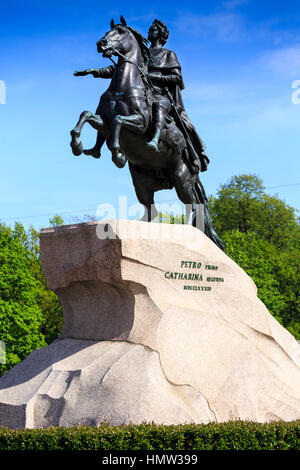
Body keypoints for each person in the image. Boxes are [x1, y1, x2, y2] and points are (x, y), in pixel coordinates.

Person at [146, 19, 209, 173]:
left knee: (159, 107)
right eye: (149, 29)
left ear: (160, 34)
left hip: (162, 97)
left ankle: (156, 139)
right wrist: (94, 72)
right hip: (144, 95)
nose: (149, 31)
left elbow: (177, 79)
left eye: (153, 29)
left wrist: (155, 77)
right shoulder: (142, 53)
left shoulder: (168, 54)